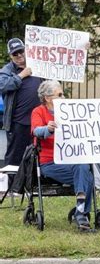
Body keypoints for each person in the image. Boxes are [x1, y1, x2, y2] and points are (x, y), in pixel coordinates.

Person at [31, 80, 95, 232]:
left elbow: (88, 127)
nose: (64, 97)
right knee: (86, 175)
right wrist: (48, 129)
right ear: (48, 98)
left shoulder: (69, 111)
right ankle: (81, 214)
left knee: (87, 173)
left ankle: (80, 212)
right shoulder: (38, 111)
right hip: (49, 163)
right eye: (60, 94)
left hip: (70, 159)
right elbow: (35, 131)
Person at [0, 38, 42, 167]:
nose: (19, 55)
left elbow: (60, 66)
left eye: (21, 51)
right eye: (15, 53)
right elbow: (3, 85)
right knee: (14, 156)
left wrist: (81, 50)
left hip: (38, 121)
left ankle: (33, 184)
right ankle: (9, 185)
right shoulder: (7, 70)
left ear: (26, 50)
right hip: (18, 122)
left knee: (38, 155)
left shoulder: (38, 65)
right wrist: (21, 76)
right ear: (10, 56)